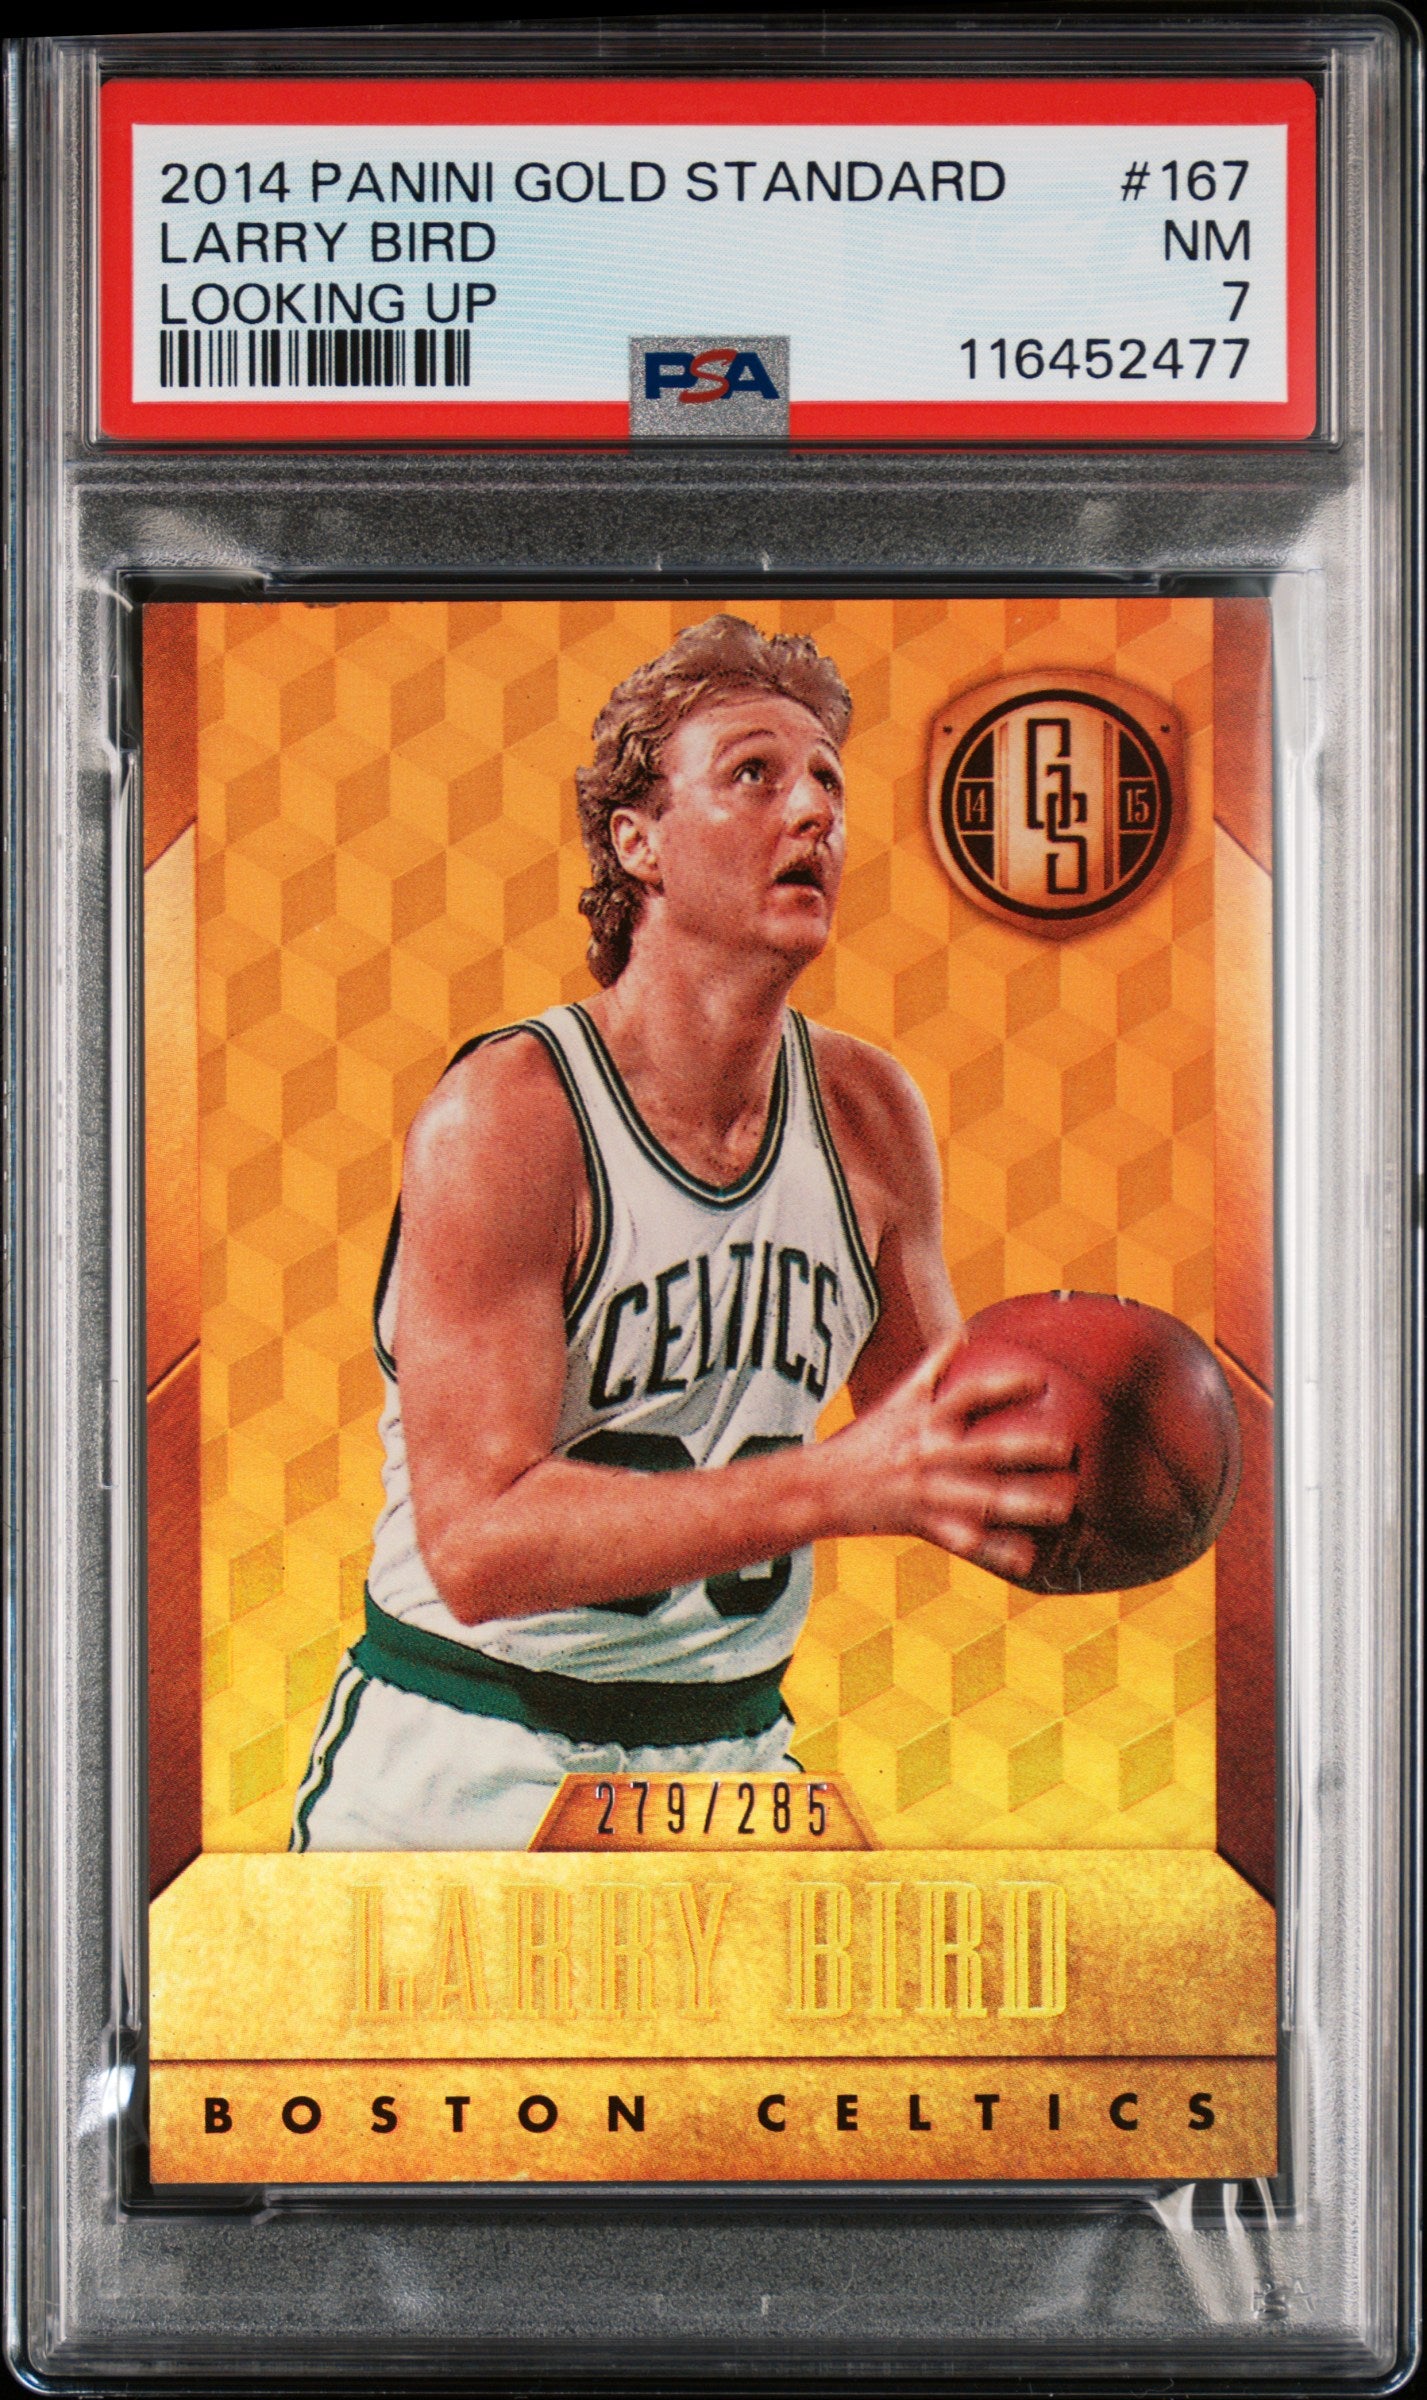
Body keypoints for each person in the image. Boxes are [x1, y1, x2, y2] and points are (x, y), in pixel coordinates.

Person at [292, 616, 1074, 1849]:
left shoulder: (868, 1111)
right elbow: (479, 1546)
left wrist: (1106, 1456)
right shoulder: (512, 1115)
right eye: (753, 774)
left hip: (727, 1760)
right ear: (637, 841)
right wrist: (834, 1485)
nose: (811, 811)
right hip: (473, 1747)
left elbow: (934, 1447)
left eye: (826, 781)